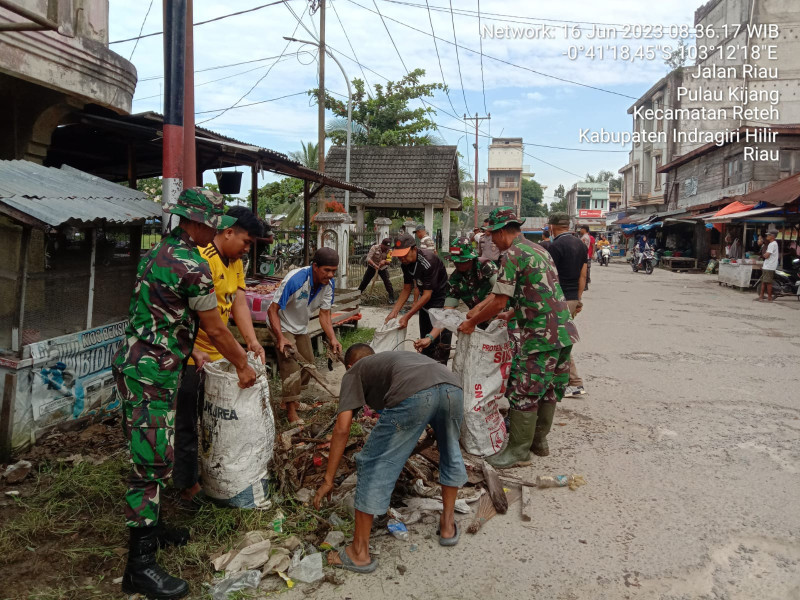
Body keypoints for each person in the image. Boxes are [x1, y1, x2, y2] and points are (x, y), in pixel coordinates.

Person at [112, 187, 257, 599]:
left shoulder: (157, 254)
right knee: (150, 463)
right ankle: (138, 567)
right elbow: (215, 327)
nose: (217, 229)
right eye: (213, 223)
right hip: (149, 374)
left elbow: (165, 315)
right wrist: (243, 366)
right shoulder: (192, 266)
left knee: (162, 450)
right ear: (200, 223)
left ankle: (154, 531)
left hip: (145, 365)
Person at [313, 345, 467, 572]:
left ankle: (359, 552)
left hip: (417, 392)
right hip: (452, 387)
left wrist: (328, 480)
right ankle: (447, 526)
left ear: (349, 365)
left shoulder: (353, 372)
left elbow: (342, 428)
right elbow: (430, 390)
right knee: (450, 450)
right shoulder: (392, 360)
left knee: (372, 461)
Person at [458, 207, 578, 468]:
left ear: (502, 232)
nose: (491, 241)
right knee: (546, 388)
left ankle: (518, 452)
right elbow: (537, 290)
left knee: (524, 390)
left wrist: (472, 323)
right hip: (563, 331)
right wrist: (511, 313)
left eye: (492, 235)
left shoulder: (512, 254)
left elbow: (498, 299)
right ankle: (538, 442)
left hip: (540, 335)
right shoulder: (538, 249)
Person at [173, 206, 266, 508]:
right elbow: (212, 328)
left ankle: (211, 473)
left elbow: (238, 300)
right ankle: (187, 487)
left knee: (211, 419)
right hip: (193, 355)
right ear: (228, 232)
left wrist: (252, 342)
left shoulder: (235, 260)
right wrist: (239, 361)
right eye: (247, 241)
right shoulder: (203, 261)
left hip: (219, 356)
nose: (247, 248)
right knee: (187, 420)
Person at [268, 248, 343, 424]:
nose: (331, 275)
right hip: (281, 323)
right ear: (315, 266)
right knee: (291, 365)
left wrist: (332, 338)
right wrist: (281, 338)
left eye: (334, 271)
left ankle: (289, 401)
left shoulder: (328, 285)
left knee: (308, 365)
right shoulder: (296, 279)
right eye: (327, 270)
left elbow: (325, 315)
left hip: (300, 326)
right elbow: (272, 310)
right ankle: (291, 413)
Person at [413, 236, 499, 353]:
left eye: (460, 261)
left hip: (501, 320)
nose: (457, 264)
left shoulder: (486, 266)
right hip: (479, 323)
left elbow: (501, 291)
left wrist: (479, 307)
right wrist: (430, 338)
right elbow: (447, 314)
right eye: (455, 261)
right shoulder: (454, 280)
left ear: (470, 258)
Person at [386, 233, 451, 364]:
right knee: (425, 345)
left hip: (442, 303)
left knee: (440, 346)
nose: (401, 259)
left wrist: (407, 316)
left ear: (414, 249)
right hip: (426, 305)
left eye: (404, 254)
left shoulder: (429, 261)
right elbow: (407, 288)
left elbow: (428, 294)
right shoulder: (405, 263)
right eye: (399, 256)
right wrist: (394, 312)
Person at [547, 213, 588, 398]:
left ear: (552, 227)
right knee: (560, 338)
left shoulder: (555, 246)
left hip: (558, 299)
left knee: (559, 340)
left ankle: (574, 382)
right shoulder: (580, 244)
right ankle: (563, 380)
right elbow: (583, 275)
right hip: (572, 298)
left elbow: (550, 276)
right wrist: (578, 299)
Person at [357, 238, 395, 302]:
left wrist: (384, 261)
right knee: (365, 281)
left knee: (387, 282)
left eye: (388, 247)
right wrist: (374, 265)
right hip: (372, 267)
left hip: (382, 268)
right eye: (385, 247)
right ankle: (357, 296)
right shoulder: (374, 248)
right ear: (382, 245)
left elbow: (389, 261)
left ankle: (391, 298)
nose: (386, 249)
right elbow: (368, 258)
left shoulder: (390, 250)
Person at [758, 229, 780, 302]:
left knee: (768, 282)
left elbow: (767, 255)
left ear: (772, 236)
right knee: (764, 282)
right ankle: (761, 296)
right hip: (767, 265)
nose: (767, 236)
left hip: (770, 266)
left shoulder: (773, 244)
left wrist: (764, 255)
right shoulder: (772, 244)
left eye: (768, 235)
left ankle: (769, 298)